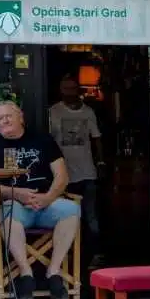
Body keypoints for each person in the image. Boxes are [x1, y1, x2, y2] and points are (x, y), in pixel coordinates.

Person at [0, 100, 80, 299]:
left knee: (71, 209)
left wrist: (48, 198)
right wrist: (17, 193)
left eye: (8, 116)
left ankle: (53, 271)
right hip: (15, 205)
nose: (4, 121)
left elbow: (62, 176)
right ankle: (26, 274)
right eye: (0, 118)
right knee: (7, 216)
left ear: (21, 117)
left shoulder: (42, 140)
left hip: (46, 203)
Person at [49, 75, 104, 267]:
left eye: (72, 88)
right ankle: (68, 255)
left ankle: (95, 255)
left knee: (90, 215)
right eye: (65, 88)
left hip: (87, 171)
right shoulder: (53, 112)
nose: (69, 92)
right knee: (67, 215)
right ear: (60, 90)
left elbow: (97, 138)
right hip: (62, 174)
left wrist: (101, 162)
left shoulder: (88, 112)